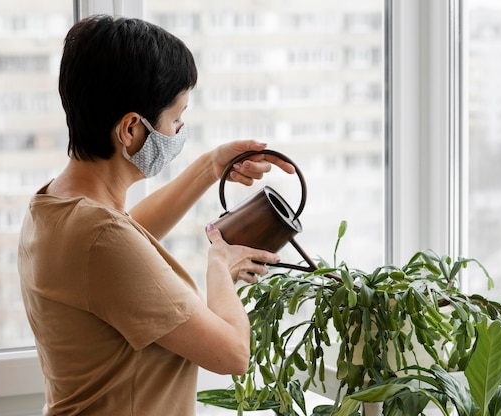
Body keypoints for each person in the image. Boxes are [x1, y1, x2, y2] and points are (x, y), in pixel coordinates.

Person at [17, 14, 294, 415]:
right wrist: (220, 266)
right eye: (176, 118)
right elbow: (232, 354)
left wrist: (210, 166)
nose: (180, 129)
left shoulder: (54, 207)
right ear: (131, 129)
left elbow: (129, 236)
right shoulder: (100, 238)